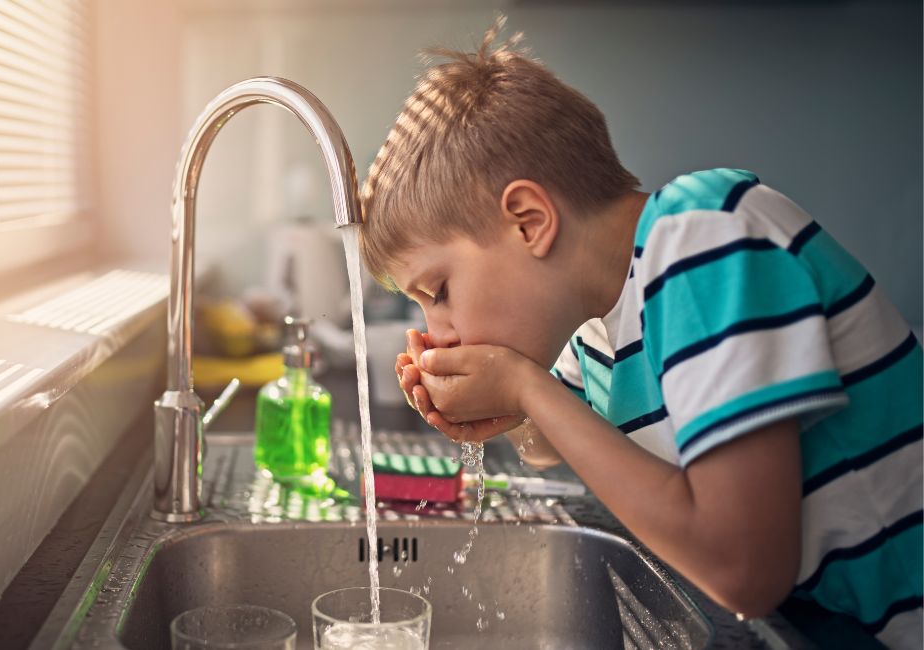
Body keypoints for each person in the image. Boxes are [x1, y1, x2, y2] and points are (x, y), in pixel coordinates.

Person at [359, 18, 922, 649]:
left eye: (437, 293)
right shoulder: (599, 320)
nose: (438, 332)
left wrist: (521, 388)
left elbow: (744, 572)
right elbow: (555, 439)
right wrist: (499, 411)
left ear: (528, 221)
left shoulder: (702, 236)